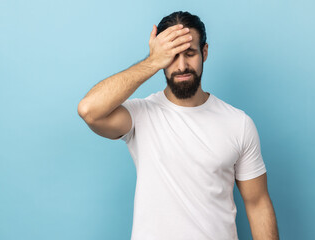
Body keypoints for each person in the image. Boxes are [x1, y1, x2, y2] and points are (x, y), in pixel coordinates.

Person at [78, 11, 279, 240]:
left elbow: (258, 203)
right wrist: (152, 61)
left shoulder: (238, 124)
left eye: (190, 53)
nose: (182, 66)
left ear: (204, 52)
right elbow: (89, 110)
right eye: (172, 56)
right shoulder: (140, 115)